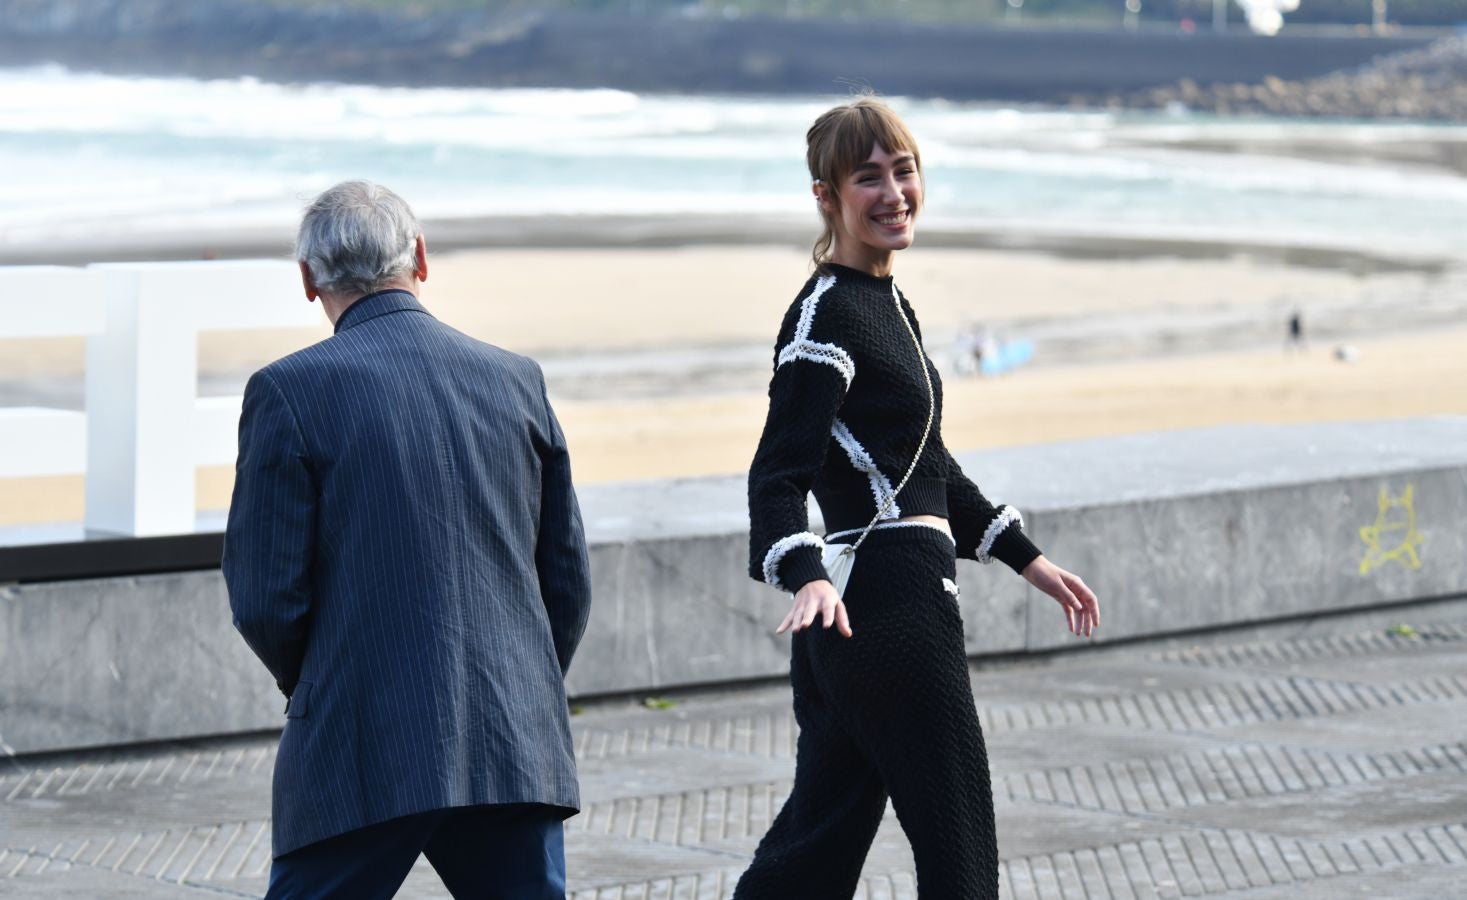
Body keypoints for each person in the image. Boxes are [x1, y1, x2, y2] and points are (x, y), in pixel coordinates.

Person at [739, 98, 1101, 898]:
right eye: (867, 177)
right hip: (891, 609)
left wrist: (1027, 561)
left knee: (815, 842)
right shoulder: (826, 317)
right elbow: (777, 474)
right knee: (958, 845)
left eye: (903, 171)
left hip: (862, 612)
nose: (894, 191)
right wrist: (805, 575)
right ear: (825, 196)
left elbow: (928, 465)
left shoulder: (884, 302)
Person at [223, 180, 591, 900]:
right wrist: (522, 679)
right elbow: (566, 578)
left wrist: (326, 682)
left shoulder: (289, 390)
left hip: (364, 735)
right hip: (510, 732)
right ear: (420, 258)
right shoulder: (516, 379)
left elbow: (266, 597)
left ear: (307, 281)